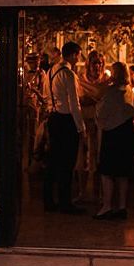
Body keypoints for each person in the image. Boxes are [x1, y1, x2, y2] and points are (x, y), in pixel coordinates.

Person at [43, 41, 86, 214]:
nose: (79, 58)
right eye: (79, 55)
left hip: (54, 117)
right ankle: (65, 202)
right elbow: (74, 103)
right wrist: (80, 127)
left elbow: (47, 95)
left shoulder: (51, 71)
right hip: (66, 120)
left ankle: (48, 199)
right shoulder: (68, 74)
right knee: (67, 163)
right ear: (74, 54)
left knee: (53, 161)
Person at [94, 61, 134, 220]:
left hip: (112, 134)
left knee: (107, 171)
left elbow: (102, 111)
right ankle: (121, 206)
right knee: (122, 172)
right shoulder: (129, 91)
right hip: (125, 133)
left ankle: (107, 206)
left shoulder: (112, 92)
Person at [76, 50, 108, 200]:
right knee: (81, 158)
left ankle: (98, 193)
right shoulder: (80, 79)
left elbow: (105, 101)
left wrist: (93, 99)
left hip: (99, 124)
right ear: (89, 64)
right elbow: (80, 100)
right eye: (95, 62)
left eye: (100, 63)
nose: (98, 66)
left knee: (98, 158)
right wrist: (93, 100)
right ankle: (81, 192)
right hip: (83, 122)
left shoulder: (106, 80)